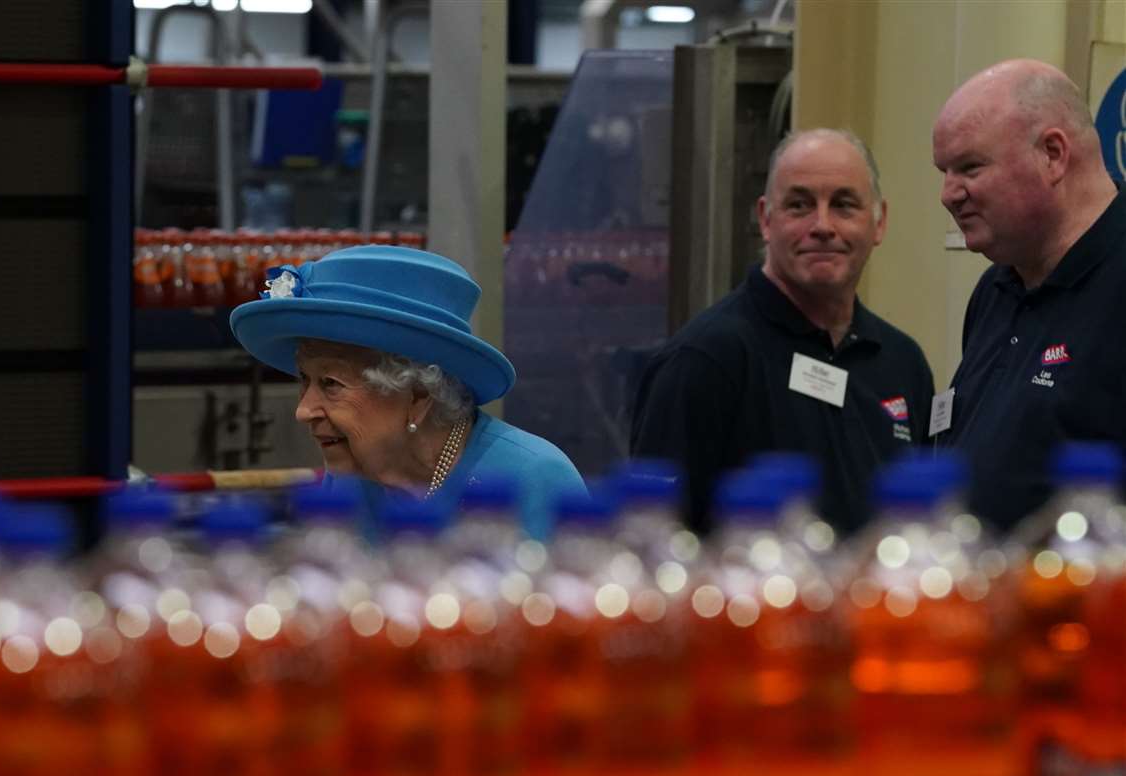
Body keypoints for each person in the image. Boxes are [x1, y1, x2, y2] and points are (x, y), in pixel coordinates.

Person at [631, 129, 935, 534]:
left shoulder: (902, 362)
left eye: (844, 205)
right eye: (799, 205)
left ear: (879, 222)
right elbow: (654, 540)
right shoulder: (704, 360)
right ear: (766, 219)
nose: (823, 225)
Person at [229, 244, 584, 536]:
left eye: (331, 384)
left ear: (417, 396)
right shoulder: (350, 480)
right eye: (304, 380)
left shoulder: (536, 481)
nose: (303, 410)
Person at [931, 59, 1125, 531]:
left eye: (969, 167)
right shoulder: (995, 288)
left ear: (1053, 154)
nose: (948, 194)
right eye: (945, 171)